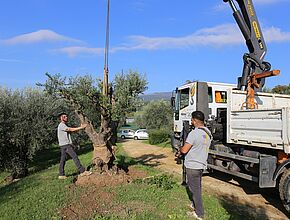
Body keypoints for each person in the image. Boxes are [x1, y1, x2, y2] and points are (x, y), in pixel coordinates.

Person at [180, 111, 212, 220]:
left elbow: (184, 150)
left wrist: (180, 151)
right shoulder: (208, 132)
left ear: (194, 120)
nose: (191, 122)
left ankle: (199, 213)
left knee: (195, 190)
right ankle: (194, 205)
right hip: (201, 165)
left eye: (192, 120)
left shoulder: (194, 133)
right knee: (196, 187)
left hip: (192, 165)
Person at [57, 113, 92, 179]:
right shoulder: (61, 125)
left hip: (63, 145)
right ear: (61, 118)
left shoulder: (64, 125)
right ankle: (82, 171)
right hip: (65, 145)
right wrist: (81, 127)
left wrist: (72, 143)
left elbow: (70, 133)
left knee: (63, 160)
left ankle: (61, 174)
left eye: (66, 116)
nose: (66, 117)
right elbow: (70, 129)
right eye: (64, 116)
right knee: (75, 157)